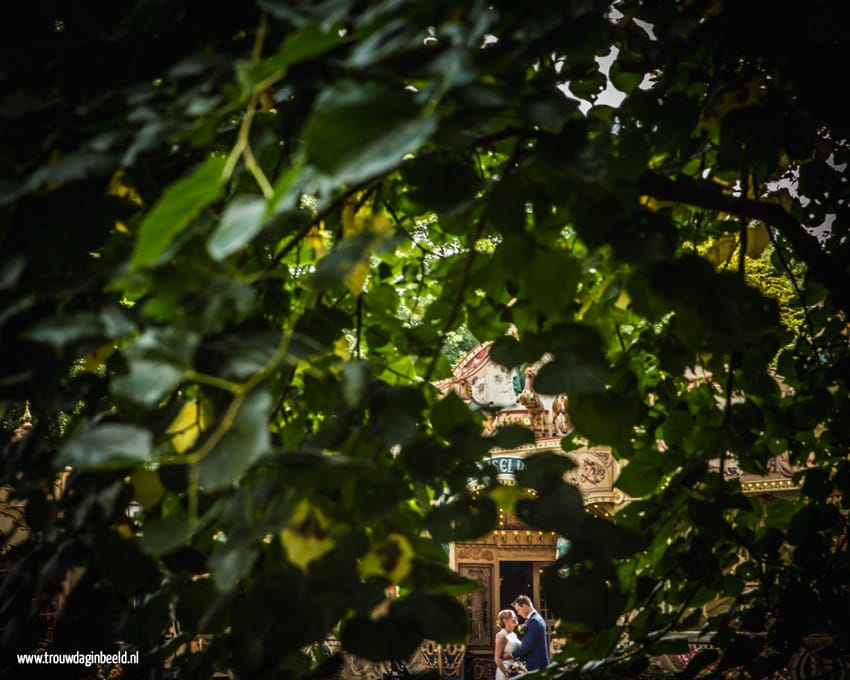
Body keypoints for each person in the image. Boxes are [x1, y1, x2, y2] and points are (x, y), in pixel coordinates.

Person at [504, 595, 550, 672]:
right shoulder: (535, 619)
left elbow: (529, 645)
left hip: (535, 664)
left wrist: (511, 655)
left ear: (525, 606)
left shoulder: (534, 621)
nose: (518, 613)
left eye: (518, 609)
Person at [493, 609, 523, 680]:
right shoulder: (502, 635)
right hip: (506, 671)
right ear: (505, 620)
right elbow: (497, 658)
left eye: (516, 617)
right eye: (513, 617)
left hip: (516, 670)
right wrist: (506, 673)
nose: (516, 618)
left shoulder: (514, 635)